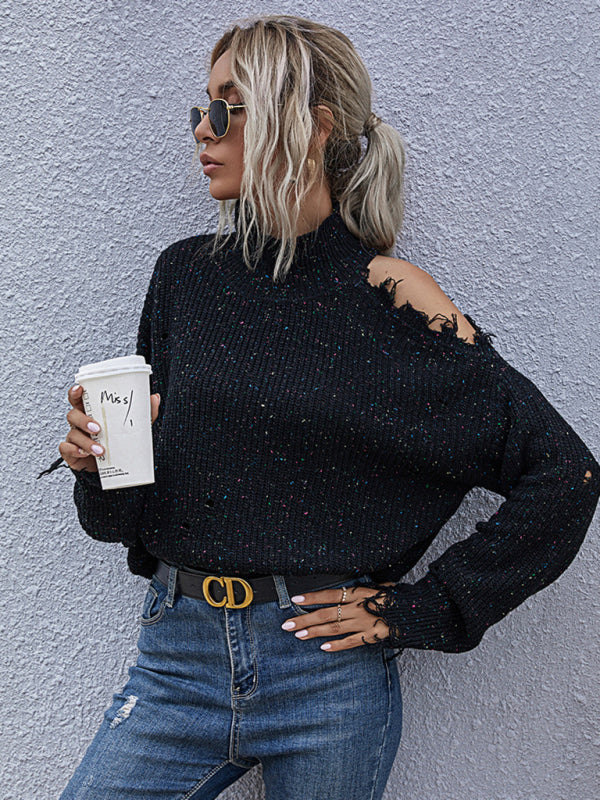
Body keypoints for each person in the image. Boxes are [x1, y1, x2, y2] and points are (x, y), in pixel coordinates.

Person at [48, 14, 599, 800]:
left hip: (326, 681)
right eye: (202, 108)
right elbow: (117, 522)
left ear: (312, 126)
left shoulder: (394, 296)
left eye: (227, 107)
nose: (202, 129)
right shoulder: (185, 279)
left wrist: (422, 610)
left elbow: (566, 474)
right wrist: (95, 465)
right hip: (176, 661)